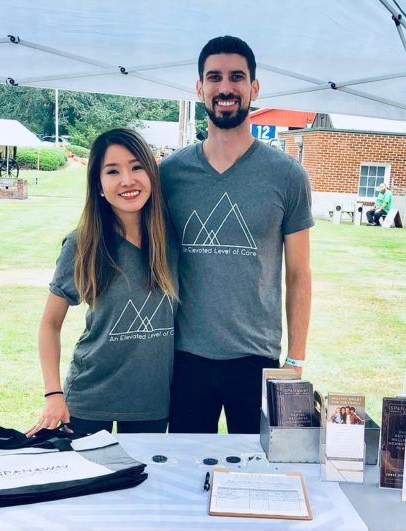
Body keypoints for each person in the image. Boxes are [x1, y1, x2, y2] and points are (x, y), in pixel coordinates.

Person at [159, 36, 313, 434]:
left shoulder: (288, 176)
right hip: (186, 355)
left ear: (254, 88)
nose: (225, 88)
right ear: (199, 88)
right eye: (214, 78)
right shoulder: (169, 174)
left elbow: (299, 274)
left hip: (258, 359)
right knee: (186, 478)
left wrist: (295, 361)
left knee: (262, 477)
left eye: (236, 77)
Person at [28, 127, 178, 436]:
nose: (127, 180)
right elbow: (50, 324)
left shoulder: (172, 239)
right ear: (98, 185)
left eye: (137, 167)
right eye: (113, 171)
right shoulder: (83, 243)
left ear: (151, 174)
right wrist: (53, 394)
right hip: (88, 399)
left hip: (151, 404)